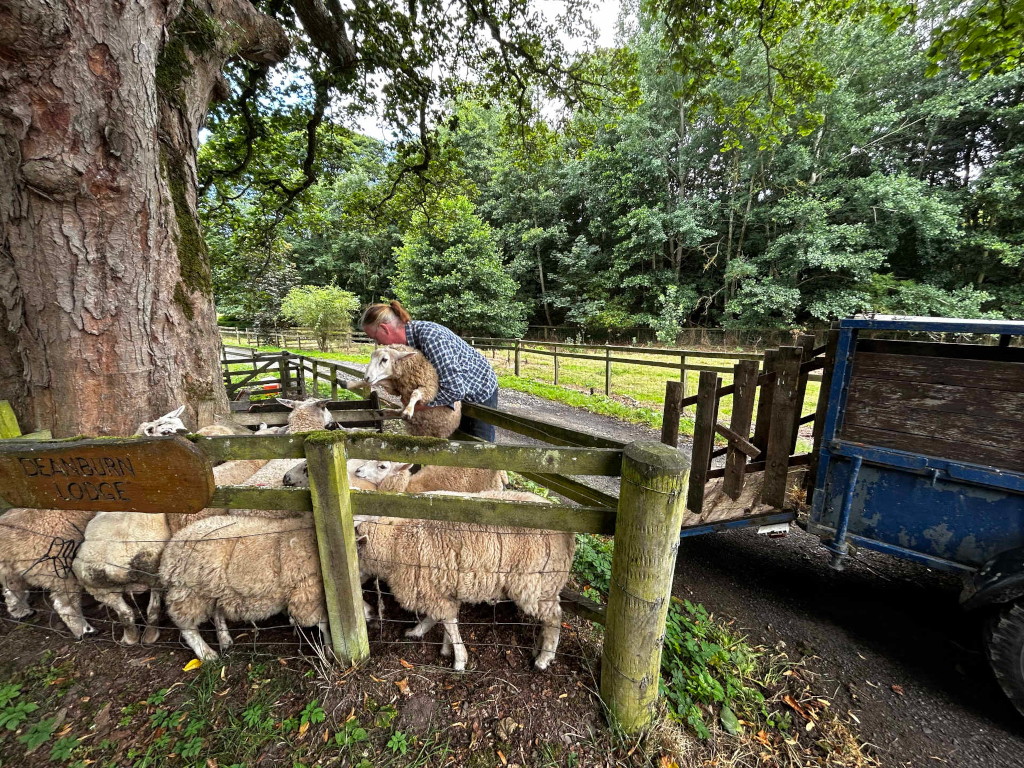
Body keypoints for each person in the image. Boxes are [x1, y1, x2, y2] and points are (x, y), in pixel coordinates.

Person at [360, 301, 498, 441]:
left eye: (376, 338)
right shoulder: (406, 348)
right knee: (457, 443)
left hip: (478, 391)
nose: (380, 344)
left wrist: (420, 406)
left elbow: (454, 389)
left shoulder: (431, 338)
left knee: (478, 447)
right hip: (456, 396)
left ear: (385, 329)